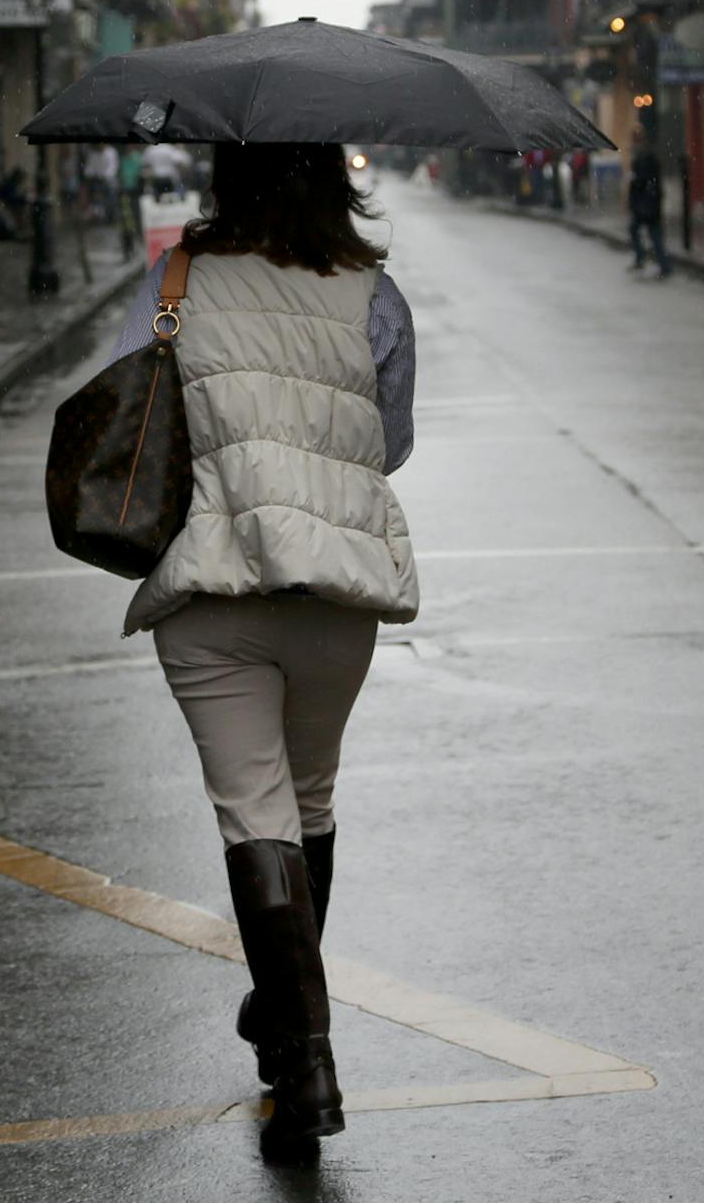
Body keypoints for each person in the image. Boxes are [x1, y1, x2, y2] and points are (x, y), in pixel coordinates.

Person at [109, 143, 416, 1161]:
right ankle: (291, 1024)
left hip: (213, 577)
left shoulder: (176, 278)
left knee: (255, 814)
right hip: (335, 584)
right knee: (311, 799)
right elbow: (392, 439)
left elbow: (140, 419)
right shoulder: (375, 295)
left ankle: (303, 1057)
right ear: (336, 181)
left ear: (225, 179)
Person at [626, 127, 669, 278]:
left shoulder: (644, 155)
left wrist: (635, 180)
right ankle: (656, 262)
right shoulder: (643, 154)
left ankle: (659, 264)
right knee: (651, 232)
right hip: (647, 202)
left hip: (646, 203)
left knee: (652, 233)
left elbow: (645, 180)